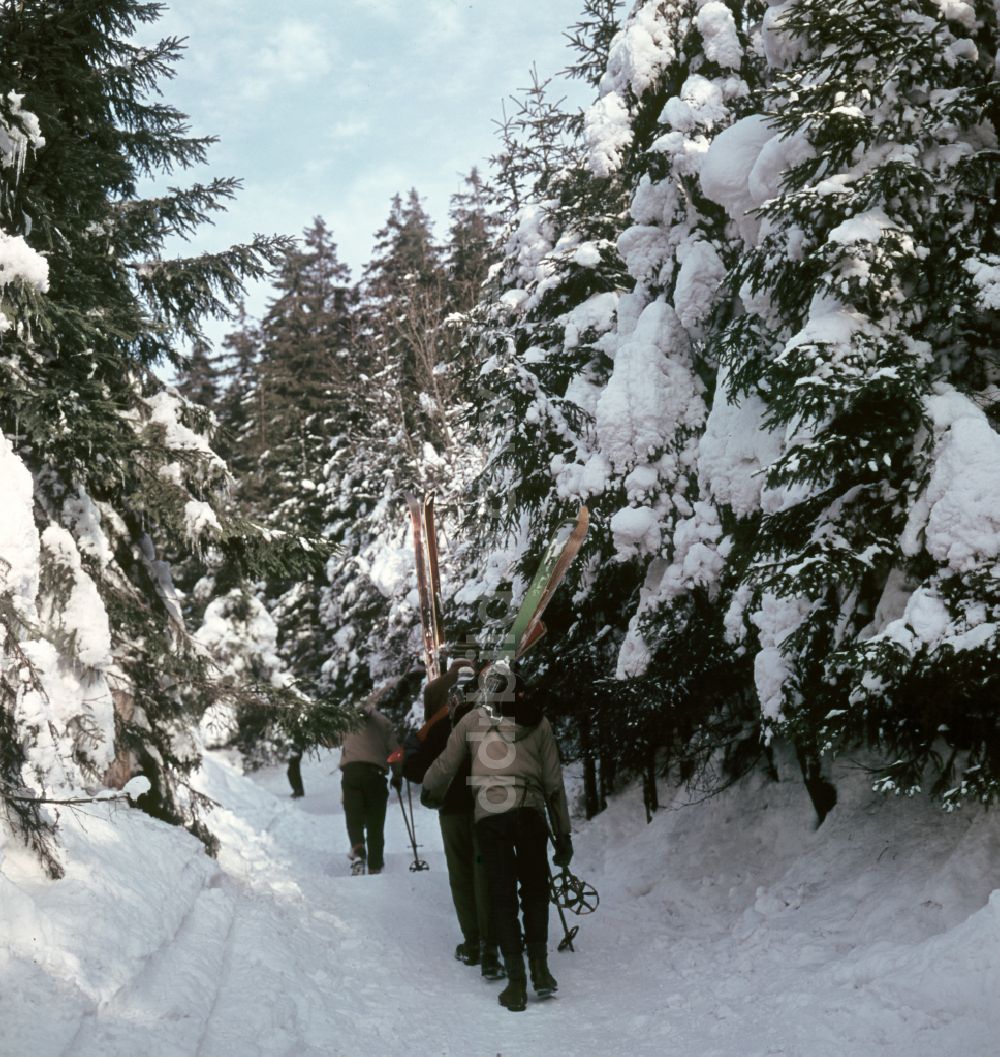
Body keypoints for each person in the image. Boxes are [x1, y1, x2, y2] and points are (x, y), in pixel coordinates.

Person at [421, 666, 573, 1012]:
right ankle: (542, 971)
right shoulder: (539, 722)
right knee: (535, 892)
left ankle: (516, 982)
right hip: (531, 814)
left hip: (491, 818)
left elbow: (445, 764)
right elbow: (554, 784)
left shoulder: (472, 721)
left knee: (501, 896)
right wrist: (562, 834)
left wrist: (430, 790)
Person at [402, 658, 505, 981]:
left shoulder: (437, 713)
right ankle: (492, 946)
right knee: (485, 874)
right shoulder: (491, 713)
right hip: (488, 805)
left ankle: (472, 943)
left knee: (461, 877)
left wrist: (430, 779)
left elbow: (414, 764)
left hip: (452, 806)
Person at [339, 692, 402, 875]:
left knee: (354, 816)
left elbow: (331, 739)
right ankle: (375, 865)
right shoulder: (383, 722)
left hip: (351, 774)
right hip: (375, 775)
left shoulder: (347, 720)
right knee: (376, 821)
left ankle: (358, 851)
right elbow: (395, 752)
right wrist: (397, 774)